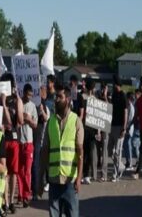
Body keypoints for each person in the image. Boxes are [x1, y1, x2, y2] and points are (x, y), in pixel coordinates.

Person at [39, 85, 84, 217]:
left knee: (72, 214)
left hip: (70, 182)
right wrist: (41, 179)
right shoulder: (51, 122)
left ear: (68, 99)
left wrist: (79, 178)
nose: (56, 100)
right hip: (54, 181)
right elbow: (44, 152)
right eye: (55, 97)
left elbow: (80, 152)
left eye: (60, 97)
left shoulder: (76, 121)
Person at [0, 73, 23, 214]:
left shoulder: (16, 100)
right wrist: (2, 103)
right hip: (3, 139)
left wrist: (17, 101)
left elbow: (17, 122)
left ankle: (12, 200)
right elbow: (3, 123)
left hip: (13, 140)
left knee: (13, 172)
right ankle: (5, 201)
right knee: (4, 172)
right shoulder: (0, 99)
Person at [18, 84, 38, 207]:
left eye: (31, 95)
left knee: (27, 171)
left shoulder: (32, 106)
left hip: (29, 143)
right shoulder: (19, 103)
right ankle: (20, 195)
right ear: (24, 93)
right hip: (19, 142)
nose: (29, 97)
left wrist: (29, 119)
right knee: (19, 171)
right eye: (27, 95)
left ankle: (26, 195)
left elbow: (35, 125)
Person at [32, 86, 50, 200]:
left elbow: (46, 118)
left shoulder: (45, 107)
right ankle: (36, 189)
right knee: (35, 166)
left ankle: (39, 189)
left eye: (41, 92)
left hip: (42, 142)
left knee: (40, 167)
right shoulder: (34, 106)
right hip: (33, 141)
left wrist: (42, 111)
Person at [79, 78, 97, 184]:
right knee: (86, 152)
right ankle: (84, 175)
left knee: (86, 152)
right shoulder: (87, 98)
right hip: (88, 128)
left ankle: (86, 174)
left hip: (88, 128)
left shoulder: (86, 97)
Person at [110, 75, 127, 182]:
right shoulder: (113, 95)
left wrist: (124, 127)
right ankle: (121, 167)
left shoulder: (123, 96)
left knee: (117, 151)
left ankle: (115, 174)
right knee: (111, 151)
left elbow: (126, 112)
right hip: (112, 125)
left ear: (118, 85)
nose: (114, 86)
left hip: (120, 126)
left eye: (115, 84)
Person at [95, 82, 110, 182]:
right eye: (102, 88)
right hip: (97, 126)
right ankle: (96, 172)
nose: (102, 90)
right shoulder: (97, 96)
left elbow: (109, 109)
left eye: (104, 88)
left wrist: (105, 96)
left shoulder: (108, 98)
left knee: (104, 151)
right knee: (97, 152)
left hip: (105, 128)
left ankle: (104, 174)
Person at [124, 92, 136, 170]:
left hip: (129, 129)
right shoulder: (127, 106)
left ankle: (130, 163)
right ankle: (128, 161)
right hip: (126, 128)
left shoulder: (131, 107)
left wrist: (127, 128)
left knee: (128, 146)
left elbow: (131, 120)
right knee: (125, 146)